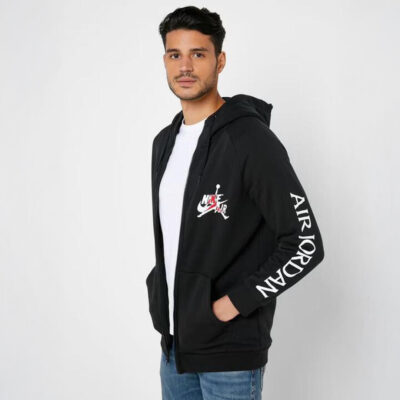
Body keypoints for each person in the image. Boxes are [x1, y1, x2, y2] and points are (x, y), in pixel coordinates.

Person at [145, 6, 325, 400]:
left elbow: (305, 242)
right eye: (175, 54)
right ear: (165, 61)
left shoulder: (249, 140)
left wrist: (232, 305)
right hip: (175, 349)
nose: (185, 66)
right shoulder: (164, 143)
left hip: (230, 353)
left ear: (220, 60)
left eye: (198, 53)